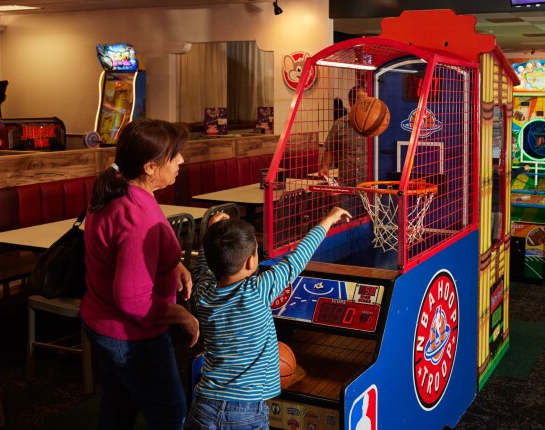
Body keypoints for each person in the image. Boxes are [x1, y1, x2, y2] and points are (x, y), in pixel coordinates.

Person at [186, 206, 351, 430]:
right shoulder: (258, 289)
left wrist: (212, 231)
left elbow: (202, 271)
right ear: (250, 262)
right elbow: (298, 257)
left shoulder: (203, 294)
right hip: (246, 411)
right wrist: (328, 219)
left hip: (203, 406)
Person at [80, 118, 199, 430]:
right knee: (171, 415)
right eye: (175, 155)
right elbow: (132, 299)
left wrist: (173, 264)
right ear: (149, 166)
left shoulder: (119, 189)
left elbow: (126, 253)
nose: (181, 161)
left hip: (103, 323)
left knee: (118, 412)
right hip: (132, 336)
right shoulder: (137, 214)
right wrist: (181, 315)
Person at [320, 85, 368, 188]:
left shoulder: (374, 126)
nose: (365, 105)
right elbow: (330, 149)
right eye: (362, 101)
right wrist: (325, 166)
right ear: (351, 102)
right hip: (346, 187)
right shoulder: (339, 125)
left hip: (369, 187)